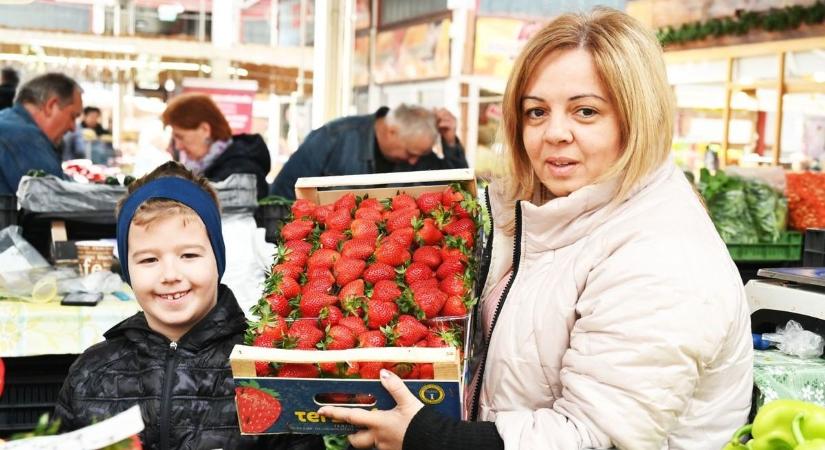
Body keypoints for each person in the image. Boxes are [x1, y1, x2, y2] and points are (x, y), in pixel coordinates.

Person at [318, 7, 753, 450]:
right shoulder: (550, 207)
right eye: (537, 112)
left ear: (638, 117)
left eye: (585, 111)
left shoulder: (662, 259)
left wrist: (429, 437)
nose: (554, 133)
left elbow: (596, 438)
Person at [54, 161, 322, 449]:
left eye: (189, 255)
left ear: (217, 259)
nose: (170, 275)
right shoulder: (90, 373)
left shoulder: (267, 368)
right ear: (127, 270)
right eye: (148, 260)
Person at [270, 104, 468, 200]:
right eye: (410, 153)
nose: (415, 161)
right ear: (392, 131)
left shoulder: (421, 157)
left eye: (420, 155)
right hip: (328, 257)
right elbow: (283, 193)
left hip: (393, 264)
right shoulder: (334, 138)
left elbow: (459, 194)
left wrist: (449, 143)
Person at [161, 93, 271, 199]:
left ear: (205, 130)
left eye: (180, 137)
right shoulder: (212, 168)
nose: (178, 146)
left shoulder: (240, 172)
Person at [0, 73, 82, 194]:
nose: (73, 128)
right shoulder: (25, 138)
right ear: (51, 106)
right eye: (73, 116)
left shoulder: (5, 118)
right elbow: (55, 201)